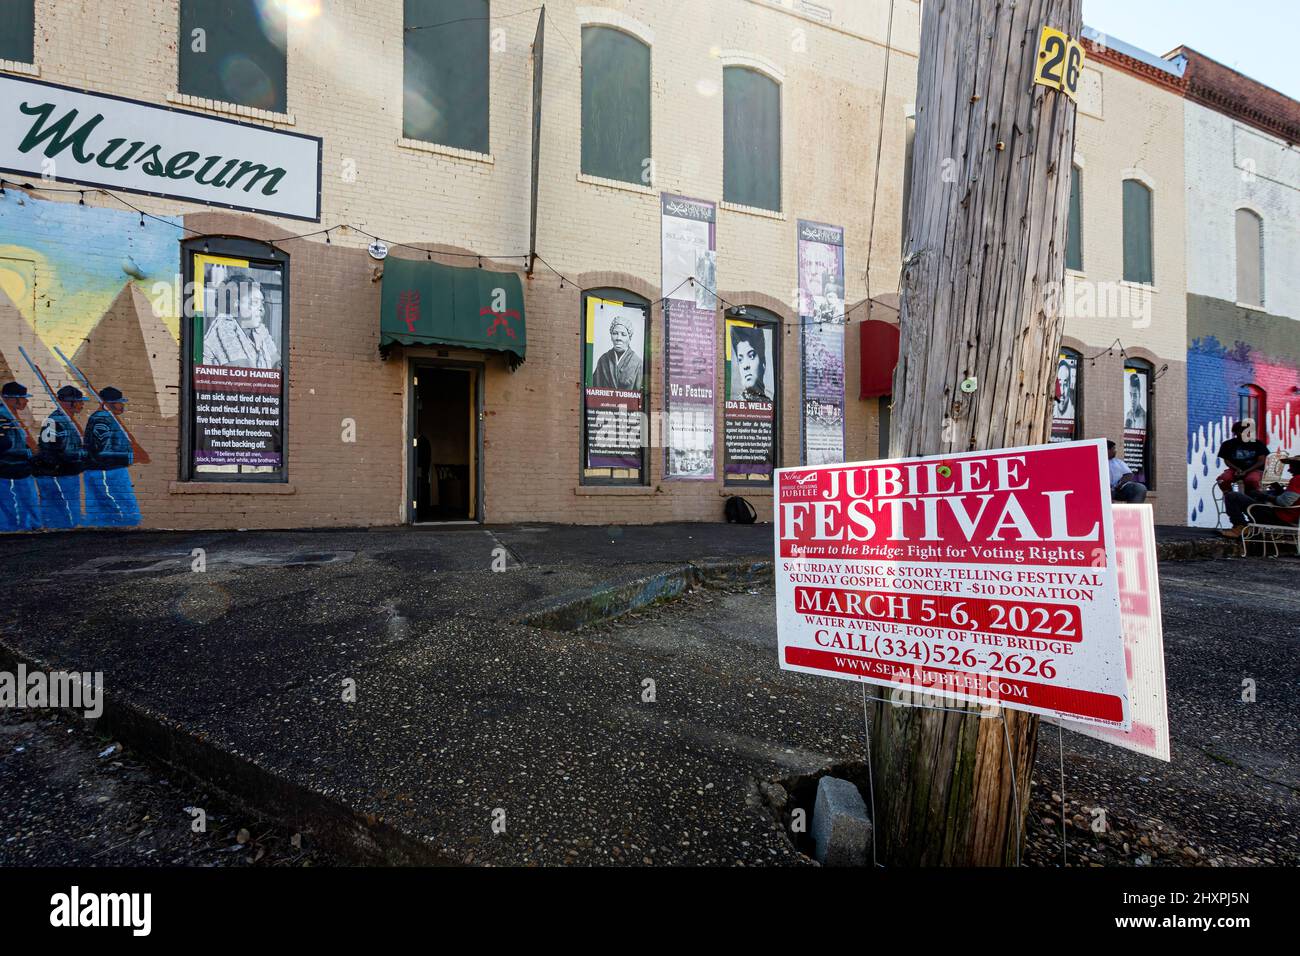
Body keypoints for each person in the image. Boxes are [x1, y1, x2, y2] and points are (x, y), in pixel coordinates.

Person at [83, 386, 141, 527]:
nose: (122, 405)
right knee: (126, 510)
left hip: (107, 470)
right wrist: (126, 458)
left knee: (102, 514)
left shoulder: (106, 418)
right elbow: (101, 451)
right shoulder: (102, 420)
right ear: (106, 404)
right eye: (118, 402)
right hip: (107, 471)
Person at [33, 385, 87, 529]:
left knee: (64, 514)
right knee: (61, 515)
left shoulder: (67, 421)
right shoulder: (54, 421)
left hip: (64, 473)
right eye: (79, 401)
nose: (82, 404)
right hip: (58, 475)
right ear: (70, 402)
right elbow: (54, 451)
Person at [202, 271, 280, 369]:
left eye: (262, 303)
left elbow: (277, 365)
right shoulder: (223, 326)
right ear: (236, 303)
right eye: (254, 302)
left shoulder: (258, 328)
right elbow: (245, 374)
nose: (261, 308)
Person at [1220, 455, 1300, 538]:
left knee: (1232, 496)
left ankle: (1240, 527)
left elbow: (1284, 502)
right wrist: (1279, 490)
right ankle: (1249, 527)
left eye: (1292, 466)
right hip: (1290, 518)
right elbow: (1293, 499)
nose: (1289, 469)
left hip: (1279, 518)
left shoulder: (1297, 479)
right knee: (1253, 497)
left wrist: (1263, 496)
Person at [0, 381, 40, 532]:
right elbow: (8, 447)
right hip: (10, 471)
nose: (26, 401)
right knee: (13, 509)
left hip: (22, 471)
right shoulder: (4, 418)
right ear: (12, 399)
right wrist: (32, 453)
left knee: (28, 506)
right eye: (22, 398)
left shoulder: (12, 416)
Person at [1215, 420, 1269, 494]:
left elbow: (1261, 461)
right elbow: (1227, 461)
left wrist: (1246, 471)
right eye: (1240, 431)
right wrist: (1237, 469)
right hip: (1235, 470)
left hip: (1254, 470)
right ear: (1235, 432)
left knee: (1252, 480)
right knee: (1223, 480)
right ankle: (1230, 497)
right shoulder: (1227, 444)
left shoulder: (1257, 444)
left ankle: (1252, 499)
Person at [592, 315, 642, 391]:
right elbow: (595, 390)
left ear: (630, 337)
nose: (618, 338)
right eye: (615, 333)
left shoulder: (637, 363)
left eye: (623, 334)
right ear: (611, 336)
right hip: (606, 402)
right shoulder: (603, 360)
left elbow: (640, 394)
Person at [731, 325, 772, 401]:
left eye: (751, 356)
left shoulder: (770, 405)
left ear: (763, 363)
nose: (745, 366)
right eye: (740, 359)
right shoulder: (736, 403)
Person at [1107, 439, 1147, 503]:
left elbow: (1129, 474)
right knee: (1107, 492)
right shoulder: (1096, 461)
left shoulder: (1118, 462)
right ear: (1107, 450)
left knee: (1140, 488)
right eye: (1113, 449)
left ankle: (1133, 511)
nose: (1116, 451)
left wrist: (1120, 484)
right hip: (1104, 490)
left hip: (1119, 488)